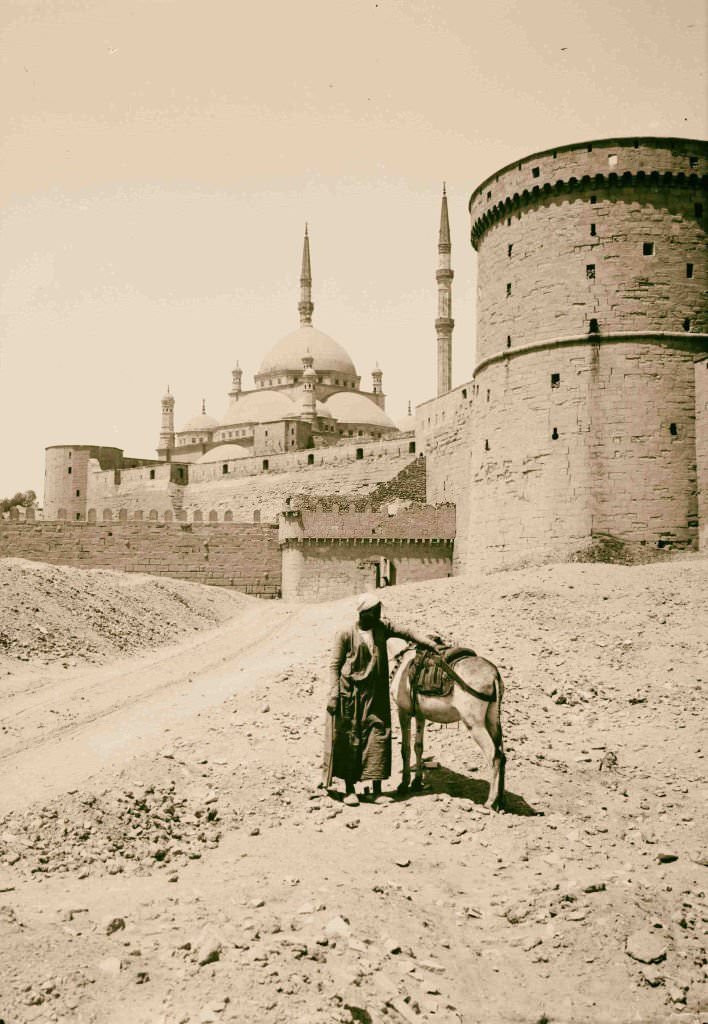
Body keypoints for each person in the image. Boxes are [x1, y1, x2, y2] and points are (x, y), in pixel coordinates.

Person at [322, 593, 440, 805]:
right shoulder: (345, 634)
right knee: (351, 739)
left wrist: (430, 644)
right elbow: (334, 665)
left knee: (378, 737)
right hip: (350, 696)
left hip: (376, 695)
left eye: (379, 611)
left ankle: (375, 789)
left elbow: (408, 632)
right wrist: (333, 693)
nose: (378, 615)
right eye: (375, 611)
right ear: (364, 613)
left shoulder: (382, 628)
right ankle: (350, 789)